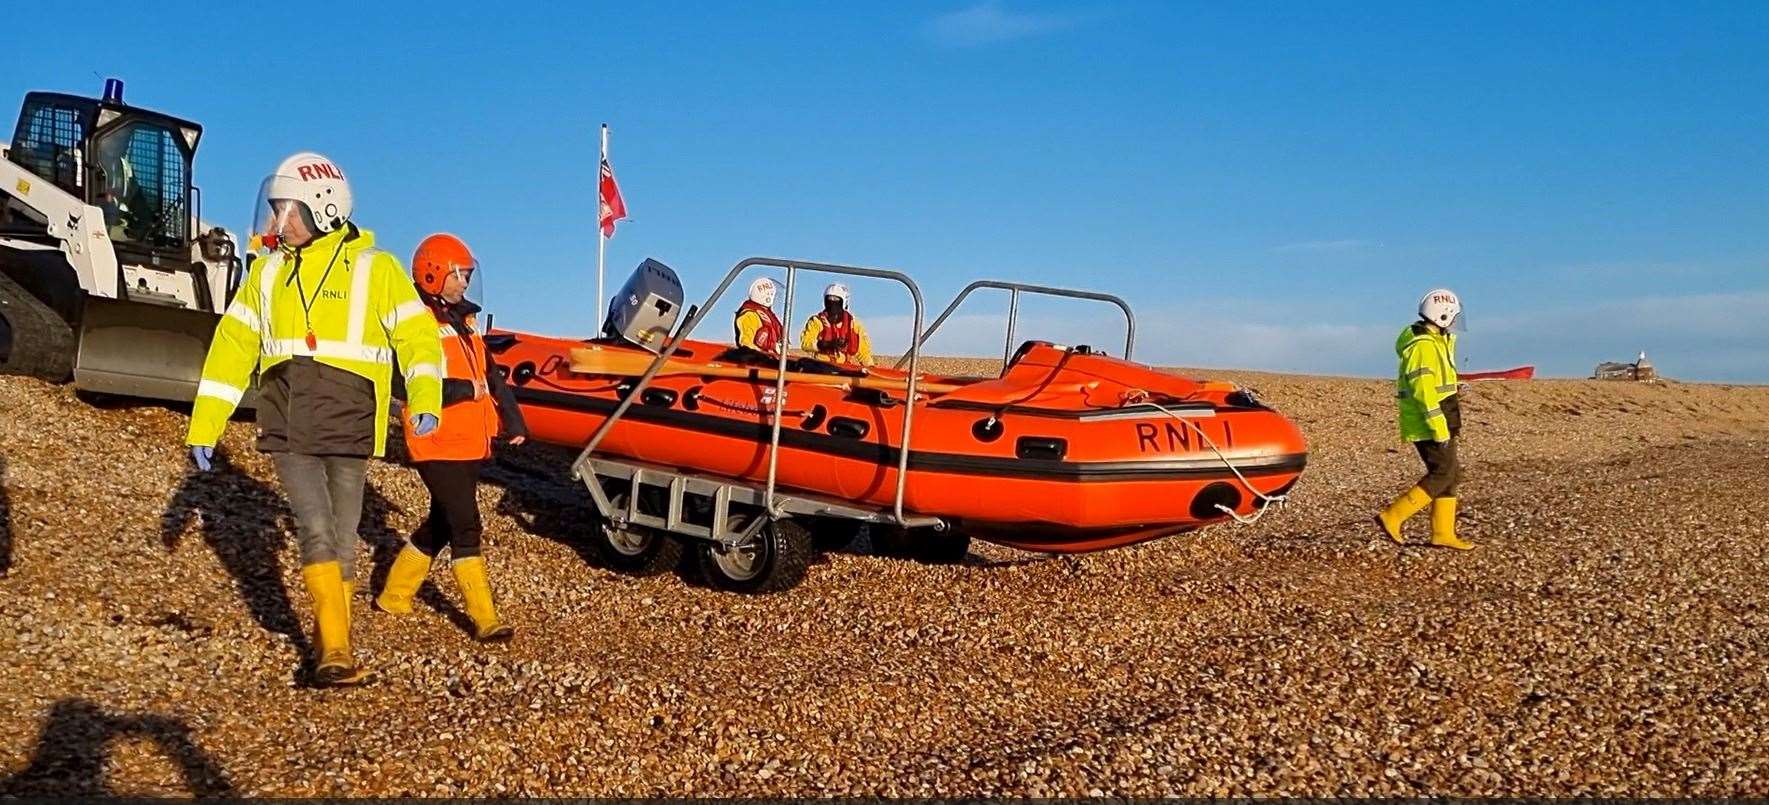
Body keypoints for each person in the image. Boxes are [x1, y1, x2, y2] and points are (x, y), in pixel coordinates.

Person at [185, 152, 444, 686]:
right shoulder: (267, 271)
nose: (278, 223)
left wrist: (425, 399)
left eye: (288, 212)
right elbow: (234, 345)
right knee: (315, 525)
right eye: (276, 211)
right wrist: (205, 424)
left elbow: (417, 339)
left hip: (350, 416)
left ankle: (335, 640)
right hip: (286, 415)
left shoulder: (378, 269)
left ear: (325, 210)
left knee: (343, 531)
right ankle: (335, 648)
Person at [376, 234, 527, 642]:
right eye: (460, 274)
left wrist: (513, 420)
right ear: (433, 274)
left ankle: (394, 594)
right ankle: (485, 619)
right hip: (436, 440)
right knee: (466, 523)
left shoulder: (466, 322)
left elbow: (491, 374)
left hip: (468, 440)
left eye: (468, 275)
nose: (464, 282)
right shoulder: (414, 323)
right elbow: (403, 383)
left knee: (443, 521)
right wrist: (464, 391)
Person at [1375, 288, 1473, 550]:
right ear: (1442, 315)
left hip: (1444, 417)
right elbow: (1423, 391)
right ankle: (1394, 515)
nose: (1454, 322)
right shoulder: (1422, 346)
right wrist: (1438, 426)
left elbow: (1437, 383)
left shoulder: (1438, 341)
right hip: (1430, 422)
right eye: (1453, 317)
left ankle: (1443, 533)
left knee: (1451, 474)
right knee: (1443, 473)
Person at [800, 282, 874, 367]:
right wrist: (827, 344)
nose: (832, 305)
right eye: (829, 300)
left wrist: (871, 368)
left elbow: (863, 353)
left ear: (844, 303)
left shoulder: (853, 325)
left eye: (836, 301)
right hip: (821, 368)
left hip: (843, 370)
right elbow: (805, 343)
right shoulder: (816, 321)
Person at [733, 277, 783, 357]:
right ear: (767, 298)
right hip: (758, 362)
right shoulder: (749, 316)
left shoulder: (768, 315)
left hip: (771, 360)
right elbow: (747, 345)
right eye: (773, 295)